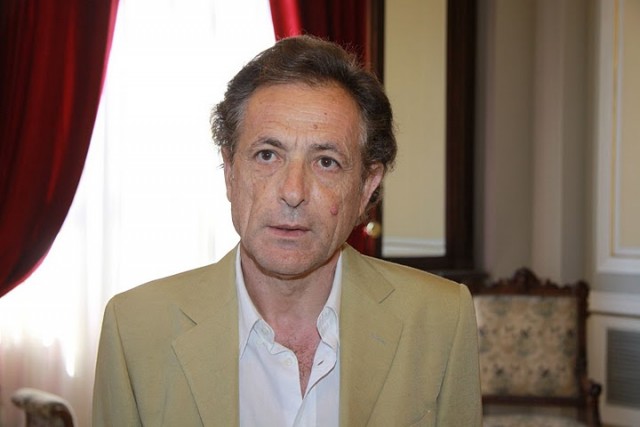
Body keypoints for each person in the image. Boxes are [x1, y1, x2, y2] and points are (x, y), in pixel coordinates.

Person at [92, 35, 482, 426]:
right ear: (230, 173)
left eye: (326, 161)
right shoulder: (135, 330)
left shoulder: (441, 321)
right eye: (267, 155)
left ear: (366, 187)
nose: (293, 192)